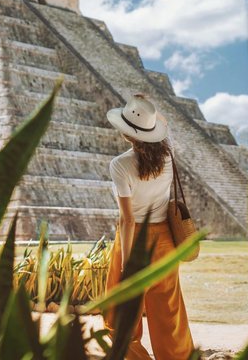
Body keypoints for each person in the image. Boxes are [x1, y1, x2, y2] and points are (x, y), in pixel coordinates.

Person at [103, 93, 194, 360]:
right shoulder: (169, 155)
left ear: (126, 133)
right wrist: (148, 108)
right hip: (165, 239)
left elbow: (128, 219)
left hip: (133, 241)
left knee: (120, 315)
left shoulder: (120, 165)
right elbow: (164, 124)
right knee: (169, 313)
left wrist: (126, 264)